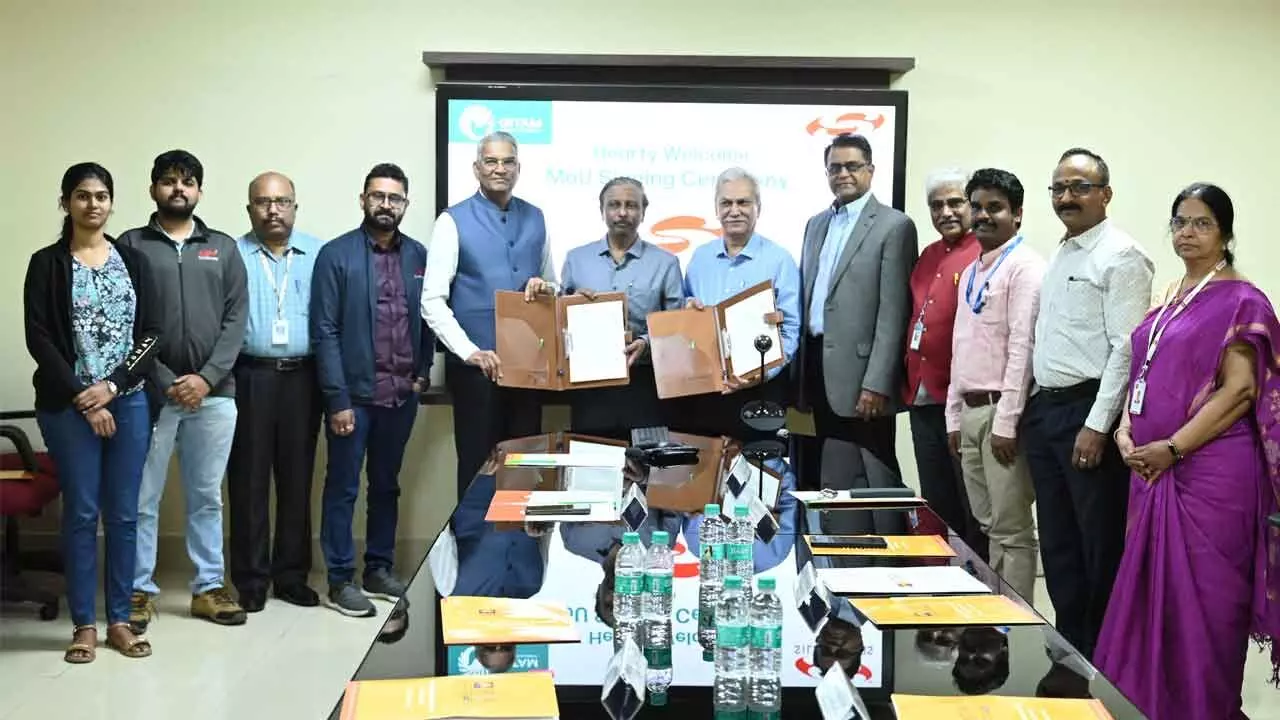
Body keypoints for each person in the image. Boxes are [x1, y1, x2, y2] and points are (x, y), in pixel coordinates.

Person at [1095, 183, 1280, 719]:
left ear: (1224, 231)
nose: (1187, 232)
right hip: (1151, 470)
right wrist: (1126, 431)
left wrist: (1173, 448)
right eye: (1179, 222)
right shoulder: (1172, 296)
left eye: (1201, 222)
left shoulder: (1243, 299)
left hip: (1211, 476)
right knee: (1155, 602)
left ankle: (1205, 707)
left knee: (1206, 604)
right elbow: (1145, 373)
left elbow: (1240, 390)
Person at [24, 163, 161, 662]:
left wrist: (112, 387)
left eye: (102, 195)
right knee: (82, 513)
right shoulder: (48, 263)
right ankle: (84, 624)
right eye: (82, 195)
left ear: (112, 202)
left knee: (124, 515)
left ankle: (120, 621)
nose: (93, 204)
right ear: (66, 203)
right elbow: (39, 337)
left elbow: (151, 333)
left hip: (128, 401)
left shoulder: (133, 261)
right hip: (68, 406)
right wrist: (85, 395)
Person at [1023, 148, 1153, 659]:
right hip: (1046, 411)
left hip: (1087, 412)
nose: (1066, 197)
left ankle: (1106, 656)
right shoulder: (1062, 251)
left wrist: (1098, 426)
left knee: (1098, 544)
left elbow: (1126, 348)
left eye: (1079, 187)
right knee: (1057, 542)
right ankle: (1070, 645)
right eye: (1058, 188)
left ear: (1106, 194)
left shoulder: (1122, 255)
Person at [117, 149, 248, 631]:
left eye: (188, 182)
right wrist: (165, 379)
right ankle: (137, 591)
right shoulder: (130, 245)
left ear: (199, 191)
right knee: (142, 496)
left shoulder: (223, 246)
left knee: (206, 495)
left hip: (215, 394)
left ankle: (209, 587)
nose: (179, 189)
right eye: (169, 181)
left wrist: (205, 377)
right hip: (150, 395)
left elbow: (237, 319)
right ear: (153, 188)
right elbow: (125, 323)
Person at [311, 162, 434, 617]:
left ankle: (378, 568)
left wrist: (423, 369)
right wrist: (337, 400)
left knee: (386, 486)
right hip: (354, 400)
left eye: (395, 198)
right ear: (362, 200)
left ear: (405, 204)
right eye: (378, 196)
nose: (386, 204)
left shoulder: (419, 256)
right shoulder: (336, 255)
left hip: (400, 396)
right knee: (342, 487)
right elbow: (324, 331)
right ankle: (340, 579)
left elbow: (428, 317)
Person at [422, 131, 553, 497]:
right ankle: (476, 551)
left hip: (529, 371)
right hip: (476, 372)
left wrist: (544, 288)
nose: (500, 169)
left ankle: (523, 547)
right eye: (491, 161)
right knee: (479, 472)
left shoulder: (537, 217)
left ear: (518, 168)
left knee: (526, 472)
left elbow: (553, 285)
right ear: (477, 168)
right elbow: (431, 300)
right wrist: (469, 352)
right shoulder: (452, 221)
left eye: (508, 161)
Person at [944, 169, 1043, 602]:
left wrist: (1007, 421)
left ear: (1017, 215)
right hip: (970, 411)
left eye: (995, 208)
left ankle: (1016, 621)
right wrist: (952, 415)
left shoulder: (1026, 268)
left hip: (1002, 413)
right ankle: (992, 611)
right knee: (986, 524)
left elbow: (1023, 347)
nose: (983, 215)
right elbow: (959, 349)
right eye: (977, 207)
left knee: (1011, 528)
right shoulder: (969, 274)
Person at [227, 172, 323, 611]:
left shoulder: (318, 253)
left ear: (295, 207)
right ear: (250, 209)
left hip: (304, 378)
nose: (273, 210)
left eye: (282, 201)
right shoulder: (232, 254)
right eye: (263, 202)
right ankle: (250, 579)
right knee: (247, 480)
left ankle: (290, 575)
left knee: (297, 478)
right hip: (249, 375)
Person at [796, 133, 918, 473]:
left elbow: (894, 314)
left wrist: (877, 383)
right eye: (834, 167)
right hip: (814, 372)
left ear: (871, 170)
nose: (843, 174)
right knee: (815, 474)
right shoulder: (815, 224)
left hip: (862, 380)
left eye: (852, 166)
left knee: (869, 476)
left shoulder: (895, 226)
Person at [677, 167, 800, 436]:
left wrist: (762, 373)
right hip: (705, 394)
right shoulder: (699, 259)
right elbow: (685, 317)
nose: (734, 210)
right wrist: (686, 314)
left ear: (758, 207)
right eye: (726, 203)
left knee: (761, 471)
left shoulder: (780, 260)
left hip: (760, 391)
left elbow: (791, 331)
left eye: (743, 202)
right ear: (716, 209)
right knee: (707, 470)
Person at [560, 177, 683, 438]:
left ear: (643, 211)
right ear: (602, 210)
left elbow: (677, 324)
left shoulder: (666, 263)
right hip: (589, 389)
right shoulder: (576, 259)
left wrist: (646, 342)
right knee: (593, 470)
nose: (623, 212)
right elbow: (558, 322)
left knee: (647, 471)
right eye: (614, 205)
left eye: (631, 205)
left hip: (647, 385)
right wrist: (569, 303)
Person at [903, 168, 986, 558]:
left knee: (971, 505)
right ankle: (944, 586)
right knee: (937, 502)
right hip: (921, 397)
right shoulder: (928, 256)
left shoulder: (983, 254)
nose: (946, 212)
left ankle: (978, 594)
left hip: (961, 403)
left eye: (955, 202)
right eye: (937, 205)